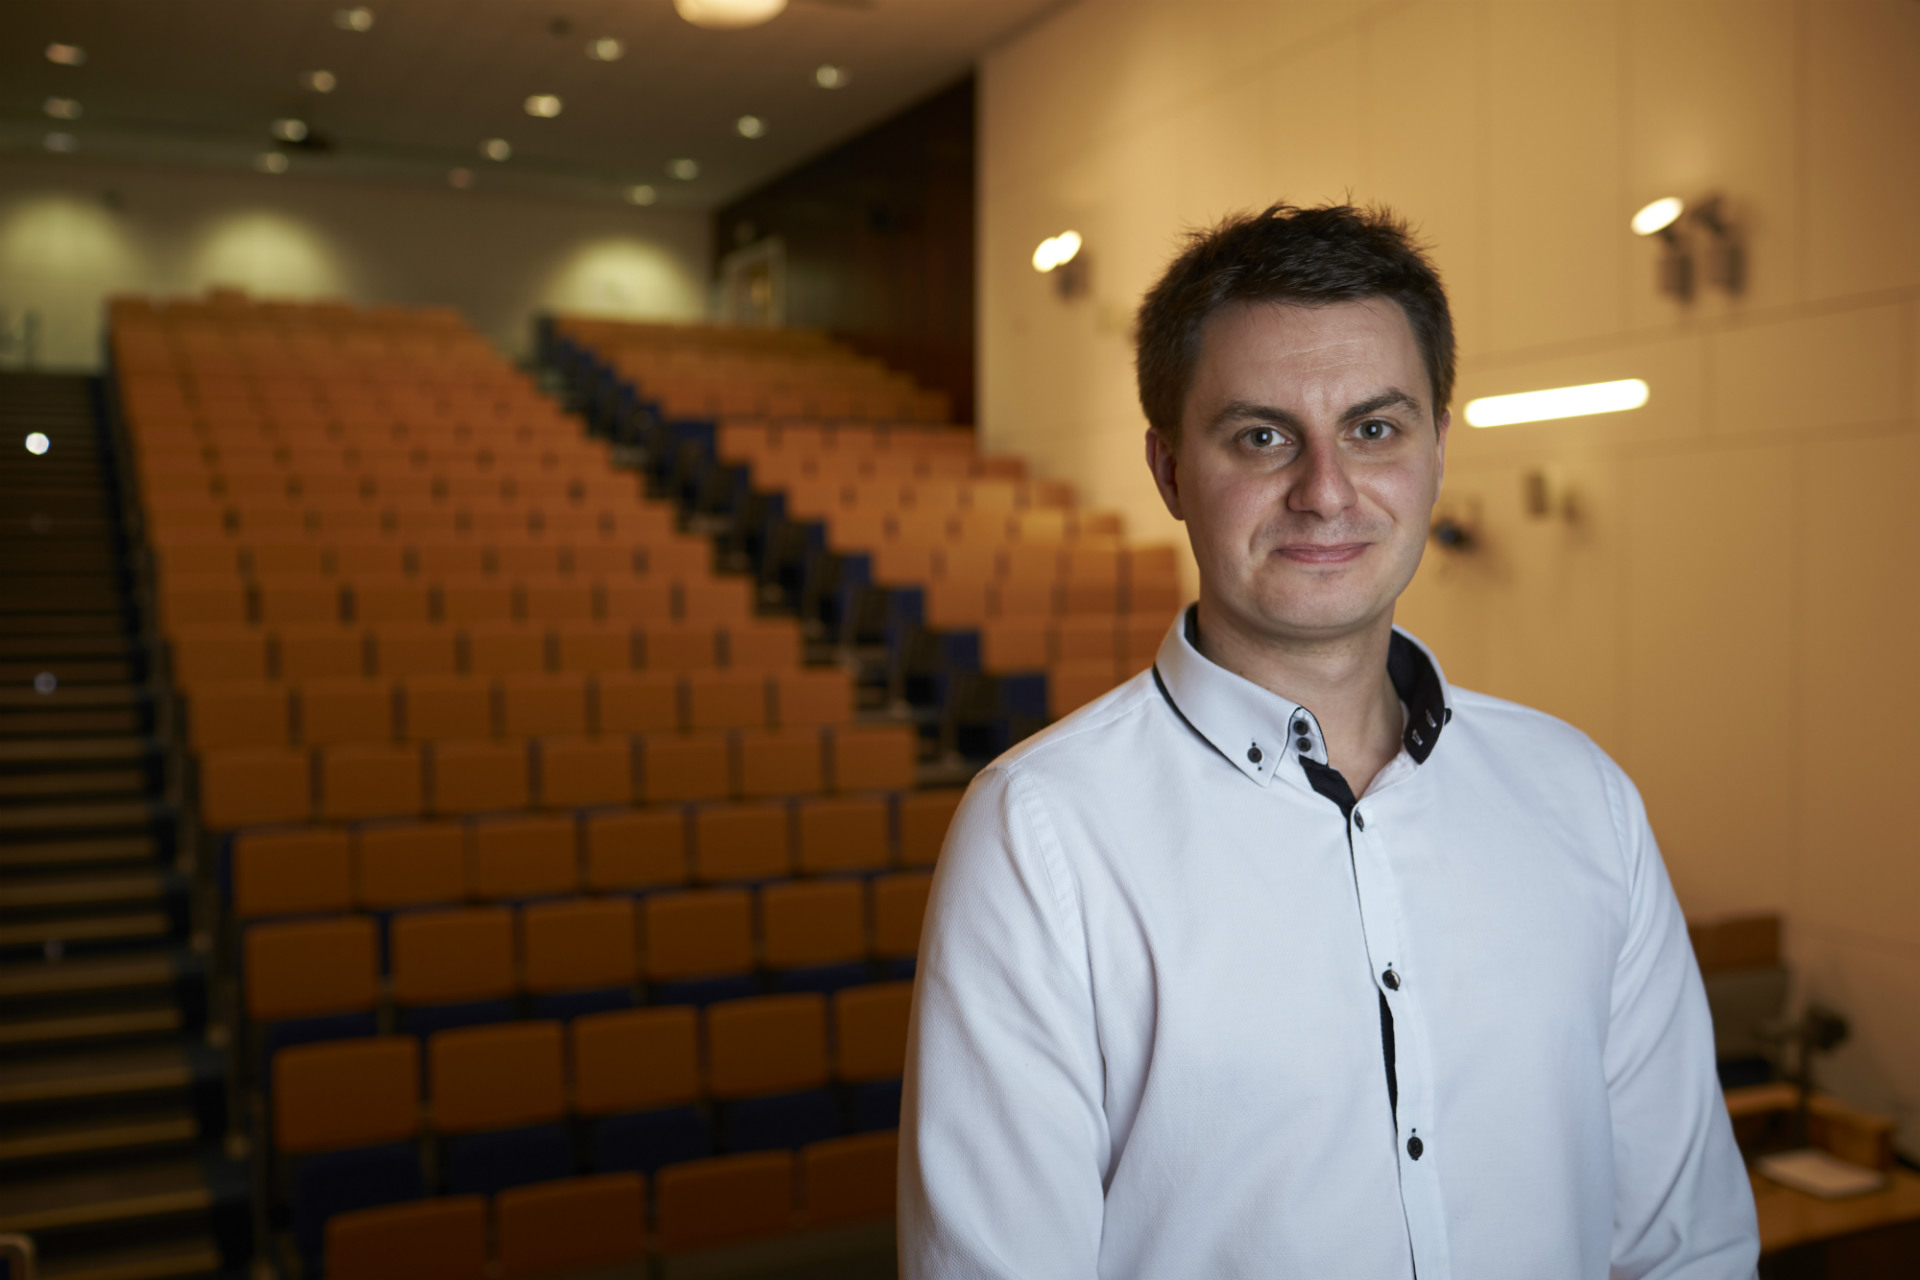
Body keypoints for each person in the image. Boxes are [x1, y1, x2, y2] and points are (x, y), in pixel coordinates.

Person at [899, 203, 1758, 1279]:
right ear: (1169, 471)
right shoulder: (1041, 832)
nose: (1325, 490)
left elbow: (1687, 1245)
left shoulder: (1582, 795)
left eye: (1374, 427)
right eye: (1261, 435)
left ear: (1439, 449)